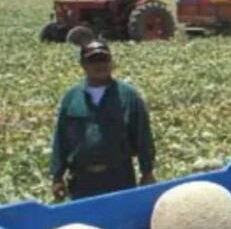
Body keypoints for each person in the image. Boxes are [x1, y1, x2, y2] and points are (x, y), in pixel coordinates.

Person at [51, 41, 156, 201]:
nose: (100, 65)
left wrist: (147, 172)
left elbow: (143, 136)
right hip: (82, 181)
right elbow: (61, 139)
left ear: (111, 62)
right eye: (93, 60)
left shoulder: (128, 96)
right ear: (83, 65)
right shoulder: (72, 98)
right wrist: (57, 176)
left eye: (104, 59)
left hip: (119, 178)